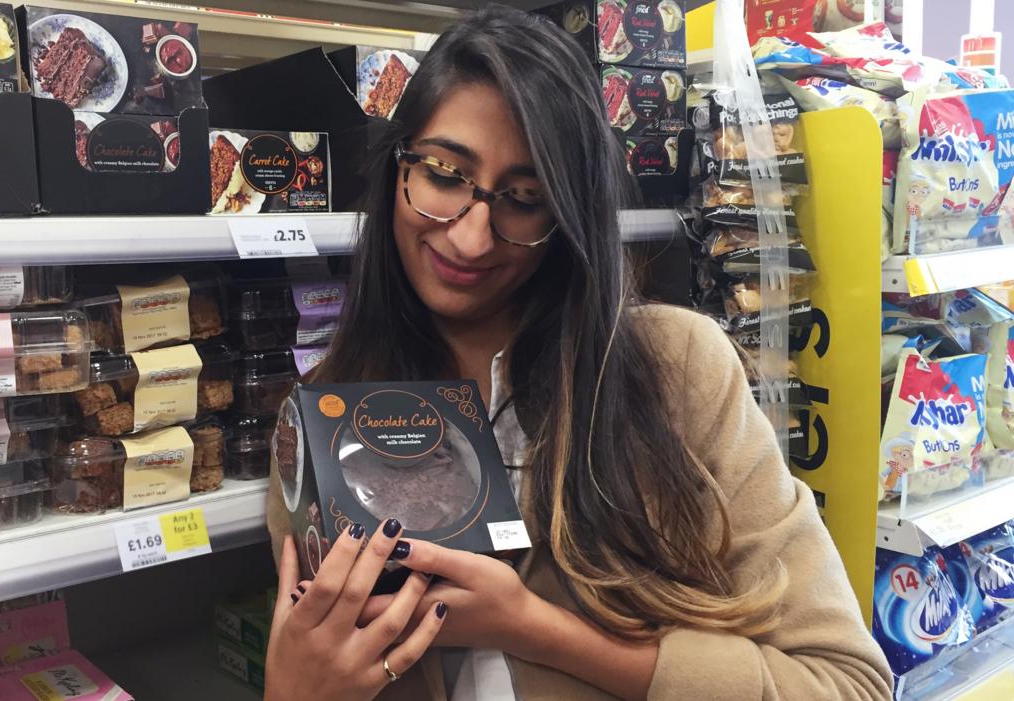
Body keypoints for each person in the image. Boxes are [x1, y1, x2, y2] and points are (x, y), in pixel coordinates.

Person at [262, 6, 894, 700]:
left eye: (525, 198)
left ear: (568, 213)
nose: (473, 238)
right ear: (395, 170)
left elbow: (848, 683)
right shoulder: (319, 421)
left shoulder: (677, 370)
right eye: (444, 173)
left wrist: (536, 629)